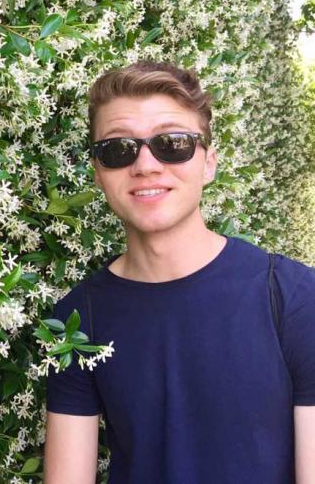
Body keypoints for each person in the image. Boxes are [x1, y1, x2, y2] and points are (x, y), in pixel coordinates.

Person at [42, 61, 315, 483]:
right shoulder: (78, 318)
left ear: (208, 162)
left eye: (173, 143)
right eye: (118, 149)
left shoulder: (293, 297)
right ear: (98, 173)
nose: (147, 165)